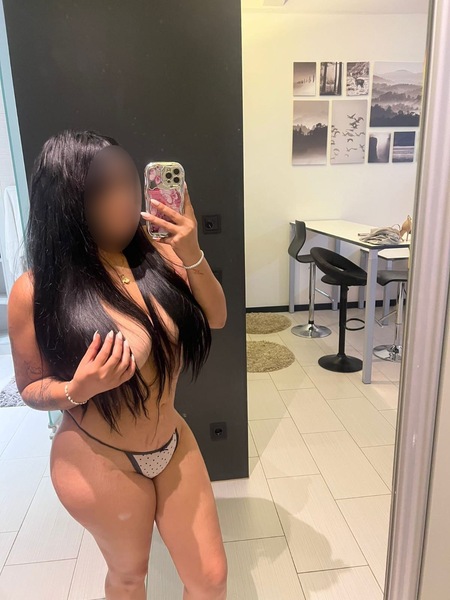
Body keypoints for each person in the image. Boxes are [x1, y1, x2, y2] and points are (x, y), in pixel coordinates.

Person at [7, 130, 228, 600]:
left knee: (210, 580)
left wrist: (191, 251)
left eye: (129, 181)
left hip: (172, 441)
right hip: (98, 458)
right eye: (104, 189)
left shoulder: (159, 255)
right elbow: (29, 388)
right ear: (69, 202)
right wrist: (78, 388)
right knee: (129, 578)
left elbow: (218, 316)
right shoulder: (35, 289)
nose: (126, 198)